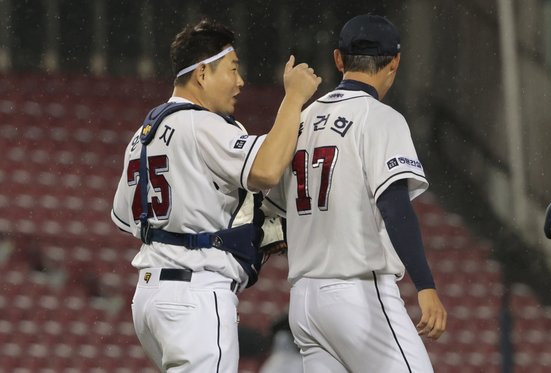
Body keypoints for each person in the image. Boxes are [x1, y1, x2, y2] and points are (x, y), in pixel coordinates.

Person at [110, 19, 320, 372]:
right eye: (233, 69)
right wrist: (294, 98)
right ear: (203, 73)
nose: (240, 82)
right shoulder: (201, 123)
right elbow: (267, 169)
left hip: (150, 296)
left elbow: (124, 217)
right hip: (194, 293)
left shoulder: (143, 134)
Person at [263, 14, 447, 372]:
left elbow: (271, 215)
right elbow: (395, 208)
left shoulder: (298, 119)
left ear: (338, 59)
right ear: (395, 60)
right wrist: (425, 285)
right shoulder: (379, 117)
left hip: (304, 302)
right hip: (357, 294)